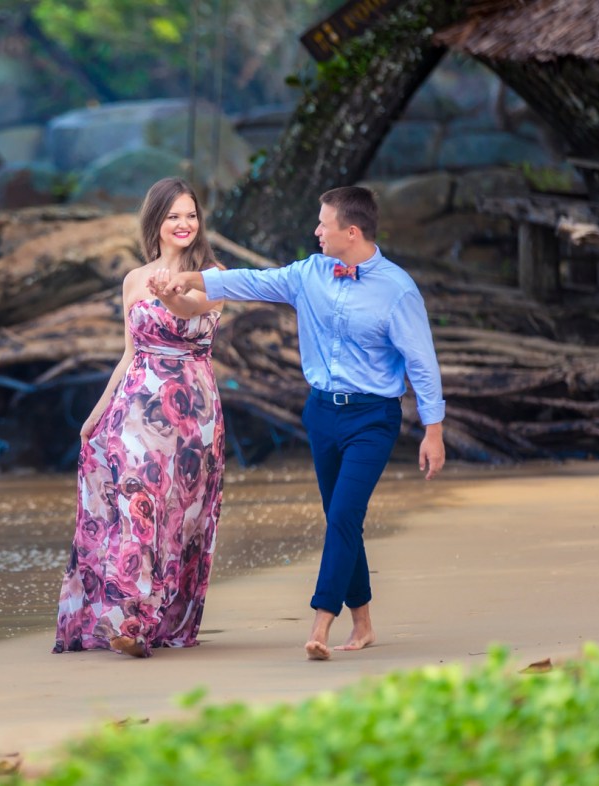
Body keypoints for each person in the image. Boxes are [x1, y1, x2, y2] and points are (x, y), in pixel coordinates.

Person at [160, 185, 445, 661]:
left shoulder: (397, 290)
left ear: (350, 232)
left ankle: (320, 623)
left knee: (344, 517)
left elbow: (422, 362)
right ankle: (365, 623)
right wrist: (188, 281)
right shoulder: (308, 274)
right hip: (321, 414)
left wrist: (432, 430)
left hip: (372, 418)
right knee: (340, 518)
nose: (316, 230)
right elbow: (250, 282)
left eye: (323, 223)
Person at [52, 177, 226, 659]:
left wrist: (170, 295)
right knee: (135, 503)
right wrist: (96, 412)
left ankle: (155, 616)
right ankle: (128, 620)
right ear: (156, 223)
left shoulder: (213, 274)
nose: (184, 224)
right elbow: (129, 354)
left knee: (175, 516)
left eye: (191, 215)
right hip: (134, 408)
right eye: (174, 216)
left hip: (191, 415)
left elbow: (191, 307)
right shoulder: (134, 279)